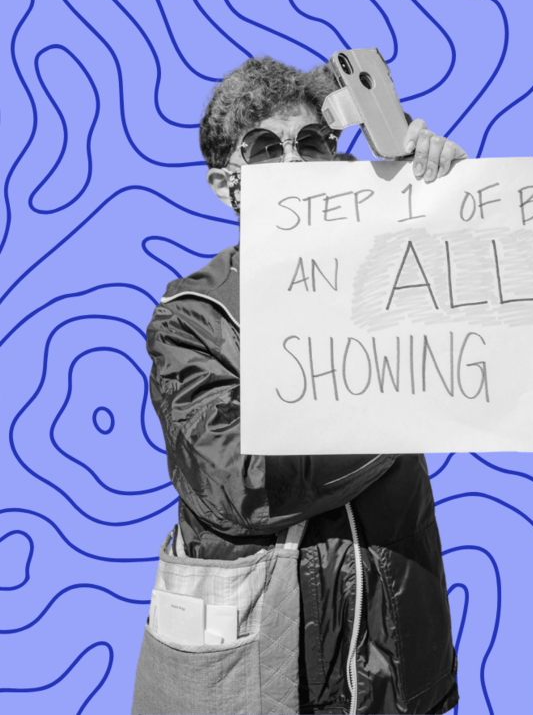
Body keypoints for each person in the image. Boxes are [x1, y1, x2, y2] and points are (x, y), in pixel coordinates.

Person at [141, 56, 467, 713]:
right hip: (258, 674)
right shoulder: (194, 318)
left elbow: (498, 345)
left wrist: (442, 196)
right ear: (225, 184)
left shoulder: (401, 276)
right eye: (265, 148)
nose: (294, 166)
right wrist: (410, 407)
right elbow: (246, 482)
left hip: (395, 674)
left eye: (312, 142)